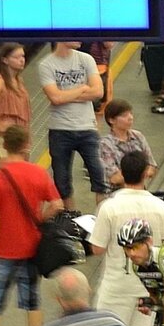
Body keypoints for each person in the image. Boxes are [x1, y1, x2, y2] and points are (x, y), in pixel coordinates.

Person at [0, 125, 60, 326]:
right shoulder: (38, 173)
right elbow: (57, 204)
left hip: (2, 251)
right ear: (26, 146)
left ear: (4, 147)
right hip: (32, 249)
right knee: (32, 302)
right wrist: (40, 218)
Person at [89, 151, 164, 326]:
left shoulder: (108, 207)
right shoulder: (161, 207)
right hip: (148, 290)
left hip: (116, 288)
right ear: (147, 172)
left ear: (121, 173)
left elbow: (97, 248)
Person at [40, 40, 107, 209]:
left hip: (87, 128)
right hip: (60, 129)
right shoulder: (46, 65)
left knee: (100, 177)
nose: (80, 39)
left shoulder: (86, 59)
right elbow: (55, 98)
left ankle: (102, 218)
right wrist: (83, 89)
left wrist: (66, 95)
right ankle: (71, 220)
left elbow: (98, 92)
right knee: (62, 182)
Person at [0, 42, 31, 162]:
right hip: (7, 135)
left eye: (22, 56)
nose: (21, 60)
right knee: (11, 171)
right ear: (5, 60)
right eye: (16, 57)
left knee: (22, 172)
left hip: (20, 133)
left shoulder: (19, 81)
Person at [98, 99, 156, 193]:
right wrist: (141, 174)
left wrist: (136, 175)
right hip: (115, 194)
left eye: (130, 114)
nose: (130, 118)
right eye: (124, 115)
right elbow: (115, 178)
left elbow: (152, 166)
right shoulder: (105, 144)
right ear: (111, 120)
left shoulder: (138, 136)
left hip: (141, 191)